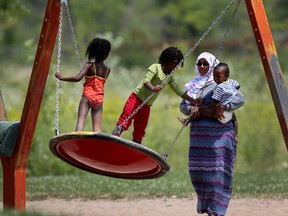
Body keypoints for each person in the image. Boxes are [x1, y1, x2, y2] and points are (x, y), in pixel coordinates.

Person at [179, 52, 245, 216]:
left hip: (219, 137)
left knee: (217, 172)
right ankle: (207, 207)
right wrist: (190, 109)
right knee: (198, 172)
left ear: (213, 66)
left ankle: (216, 210)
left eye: (206, 64)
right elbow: (183, 105)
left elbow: (240, 99)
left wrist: (225, 107)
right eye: (199, 63)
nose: (202, 67)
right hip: (198, 139)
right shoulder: (192, 85)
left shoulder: (221, 83)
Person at [112, 46, 199, 144]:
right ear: (171, 62)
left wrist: (193, 100)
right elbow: (146, 81)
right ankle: (112, 141)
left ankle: (135, 151)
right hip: (136, 99)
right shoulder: (155, 67)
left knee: (140, 131)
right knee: (124, 121)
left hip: (147, 106)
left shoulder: (169, 76)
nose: (177, 68)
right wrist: (153, 88)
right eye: (177, 65)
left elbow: (178, 90)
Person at [55, 38, 111, 132]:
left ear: (93, 52)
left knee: (81, 122)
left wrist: (61, 78)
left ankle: (77, 141)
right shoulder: (107, 70)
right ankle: (98, 145)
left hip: (87, 97)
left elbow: (77, 78)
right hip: (99, 99)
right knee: (97, 128)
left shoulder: (89, 65)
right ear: (106, 54)